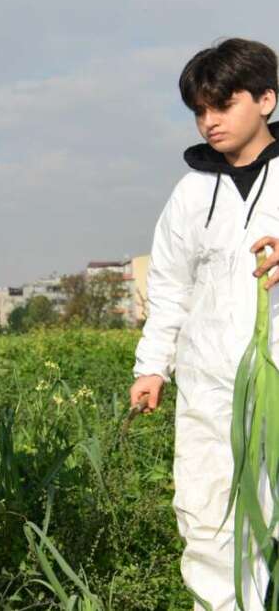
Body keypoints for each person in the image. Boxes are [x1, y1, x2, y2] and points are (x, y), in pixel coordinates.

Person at [131, 37, 279, 610]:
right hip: (209, 386)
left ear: (266, 99)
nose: (210, 121)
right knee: (209, 512)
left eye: (223, 105)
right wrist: (153, 367)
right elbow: (170, 287)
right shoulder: (192, 193)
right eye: (200, 111)